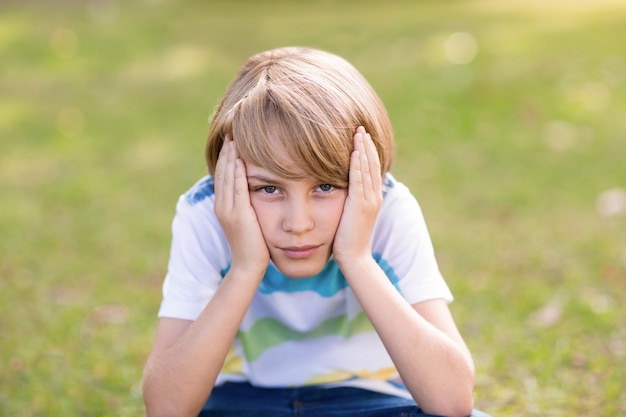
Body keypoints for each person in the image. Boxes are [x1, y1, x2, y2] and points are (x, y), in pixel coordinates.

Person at [142, 46, 490, 417]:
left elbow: (452, 402)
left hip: (368, 399)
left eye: (324, 187)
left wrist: (356, 258)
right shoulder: (207, 214)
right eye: (268, 189)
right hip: (238, 403)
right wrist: (245, 267)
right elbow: (166, 408)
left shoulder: (388, 212)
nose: (298, 223)